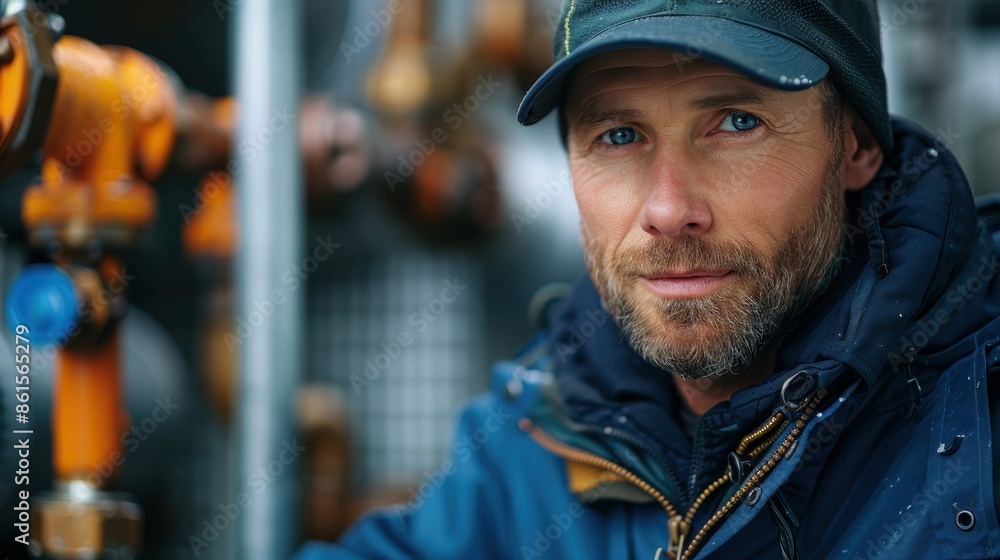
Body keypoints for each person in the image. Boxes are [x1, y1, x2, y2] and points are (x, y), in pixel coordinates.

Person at [295, 1, 1000, 558]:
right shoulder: (538, 434)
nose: (669, 210)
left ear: (855, 146)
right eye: (619, 136)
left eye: (734, 122)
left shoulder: (980, 407)